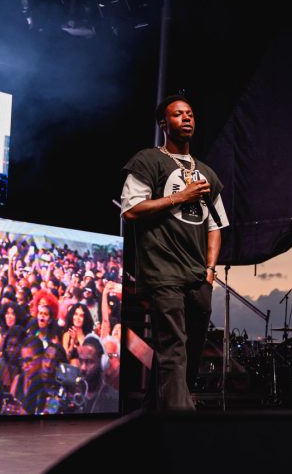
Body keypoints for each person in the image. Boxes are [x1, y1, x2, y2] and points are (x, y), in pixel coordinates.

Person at [121, 94, 229, 411]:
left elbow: (215, 226)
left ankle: (153, 412)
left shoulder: (207, 174)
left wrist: (209, 270)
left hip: (197, 274)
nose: (187, 118)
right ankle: (180, 420)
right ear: (163, 124)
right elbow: (131, 210)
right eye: (179, 114)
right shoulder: (147, 161)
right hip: (162, 270)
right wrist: (180, 197)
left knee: (190, 349)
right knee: (173, 347)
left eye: (190, 114)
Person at [77, 336, 119, 413]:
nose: (83, 367)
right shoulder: (74, 391)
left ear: (102, 363)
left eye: (90, 361)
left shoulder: (114, 399)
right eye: (81, 361)